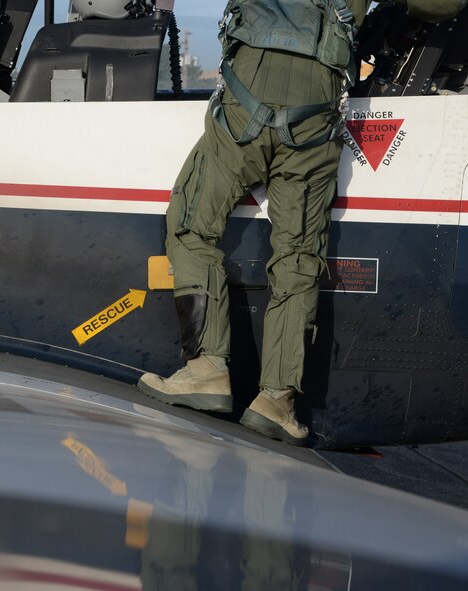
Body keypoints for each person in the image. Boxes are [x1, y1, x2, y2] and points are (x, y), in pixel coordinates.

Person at [138, 0, 466, 445]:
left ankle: (206, 368)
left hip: (249, 89)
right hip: (316, 105)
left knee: (192, 223)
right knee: (297, 253)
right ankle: (277, 398)